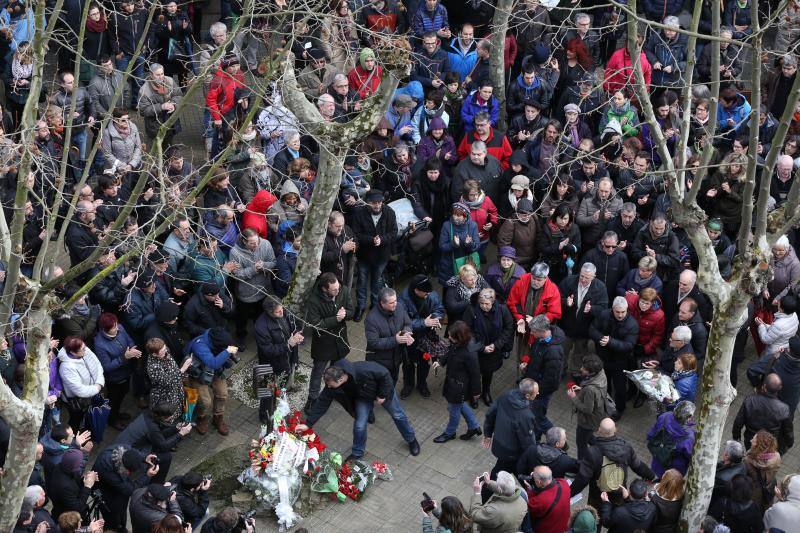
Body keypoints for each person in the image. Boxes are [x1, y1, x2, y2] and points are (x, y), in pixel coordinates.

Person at [300, 359, 421, 461]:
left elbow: (385, 374)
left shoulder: (364, 370)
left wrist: (382, 395)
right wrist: (308, 424)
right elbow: (322, 402)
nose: (329, 387)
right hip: (363, 398)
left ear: (340, 379)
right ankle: (357, 453)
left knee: (398, 415)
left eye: (331, 385)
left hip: (383, 393)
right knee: (359, 425)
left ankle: (411, 440)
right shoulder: (332, 386)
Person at [570, 418, 655, 510]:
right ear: (615, 430)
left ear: (598, 430)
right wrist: (650, 475)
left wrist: (568, 494)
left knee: (595, 514)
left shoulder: (592, 453)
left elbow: (582, 479)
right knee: (617, 512)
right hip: (619, 490)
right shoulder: (626, 447)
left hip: (598, 493)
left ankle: (597, 524)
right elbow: (637, 465)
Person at [304, 272, 353, 410]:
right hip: (323, 342)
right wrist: (335, 319)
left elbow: (351, 310)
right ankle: (312, 398)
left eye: (338, 288)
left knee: (338, 369)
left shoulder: (342, 290)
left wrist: (346, 314)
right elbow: (315, 324)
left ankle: (334, 392)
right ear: (325, 289)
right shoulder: (314, 300)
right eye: (334, 290)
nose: (338, 292)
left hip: (339, 339)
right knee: (318, 371)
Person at [114, 403, 192, 482]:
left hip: (122, 444)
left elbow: (158, 436)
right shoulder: (152, 428)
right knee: (166, 457)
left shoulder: (148, 415)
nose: (173, 417)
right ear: (165, 417)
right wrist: (181, 434)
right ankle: (157, 484)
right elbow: (163, 446)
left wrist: (175, 428)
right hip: (125, 452)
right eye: (171, 415)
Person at [432, 320, 482, 443]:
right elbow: (450, 351)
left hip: (459, 387)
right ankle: (474, 426)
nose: (448, 337)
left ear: (459, 337)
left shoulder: (470, 353)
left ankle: (450, 433)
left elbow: (475, 374)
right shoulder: (458, 343)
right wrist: (440, 362)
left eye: (451, 336)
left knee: (453, 409)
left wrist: (476, 392)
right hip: (453, 382)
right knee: (459, 405)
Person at [589, 297, 638, 419]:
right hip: (603, 358)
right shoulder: (604, 315)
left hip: (619, 362)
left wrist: (610, 342)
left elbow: (629, 345)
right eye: (618, 312)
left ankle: (619, 410)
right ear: (613, 309)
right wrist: (601, 338)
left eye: (623, 312)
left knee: (620, 388)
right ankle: (605, 403)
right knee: (604, 385)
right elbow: (592, 329)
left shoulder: (632, 324)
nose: (620, 315)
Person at [463, 288, 514, 406]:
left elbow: (508, 327)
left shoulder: (502, 309)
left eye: (487, 304)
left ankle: (486, 392)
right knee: (474, 372)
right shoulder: (471, 310)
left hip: (493, 349)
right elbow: (466, 330)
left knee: (488, 372)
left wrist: (497, 345)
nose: (484, 306)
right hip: (476, 349)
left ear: (493, 301)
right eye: (481, 303)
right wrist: (481, 347)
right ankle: (474, 394)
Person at [185, 327, 239, 435]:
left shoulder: (218, 338)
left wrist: (230, 355)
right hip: (199, 373)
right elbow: (212, 363)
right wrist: (227, 351)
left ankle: (218, 418)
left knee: (222, 393)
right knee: (205, 401)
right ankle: (201, 417)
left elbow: (220, 363)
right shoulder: (199, 345)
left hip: (215, 371)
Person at [351, 189, 396, 320]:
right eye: (373, 203)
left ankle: (375, 306)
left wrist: (382, 239)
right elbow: (356, 233)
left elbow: (393, 232)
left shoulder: (389, 212)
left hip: (382, 255)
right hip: (364, 255)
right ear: (368, 202)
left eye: (379, 202)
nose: (377, 205)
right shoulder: (359, 213)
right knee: (362, 282)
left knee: (377, 283)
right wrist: (371, 240)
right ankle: (360, 306)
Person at [559, 263, 609, 378]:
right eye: (582, 276)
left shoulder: (600, 288)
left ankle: (576, 374)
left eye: (587, 277)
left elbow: (604, 308)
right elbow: (557, 297)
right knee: (562, 352)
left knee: (579, 354)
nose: (583, 279)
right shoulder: (569, 281)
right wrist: (565, 302)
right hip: (566, 327)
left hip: (584, 331)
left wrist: (592, 309)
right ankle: (560, 372)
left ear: (594, 276)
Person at [398, 275, 444, 399]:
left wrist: (435, 318)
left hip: (426, 336)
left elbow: (439, 309)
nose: (428, 294)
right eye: (425, 292)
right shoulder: (403, 300)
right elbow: (402, 322)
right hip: (409, 338)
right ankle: (408, 385)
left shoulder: (430, 294)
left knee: (424, 361)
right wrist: (424, 323)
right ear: (416, 290)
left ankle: (422, 384)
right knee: (408, 363)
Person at [229, 228, 277, 347]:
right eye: (252, 243)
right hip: (246, 294)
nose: (256, 245)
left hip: (263, 289)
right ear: (244, 241)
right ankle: (240, 337)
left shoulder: (265, 244)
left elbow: (273, 262)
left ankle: (261, 337)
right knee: (242, 319)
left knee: (261, 317)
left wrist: (264, 265)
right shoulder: (235, 252)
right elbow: (237, 274)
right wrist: (254, 269)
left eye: (257, 241)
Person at [520, 314, 564, 440]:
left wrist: (536, 392)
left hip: (541, 392)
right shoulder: (540, 340)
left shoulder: (553, 351)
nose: (532, 333)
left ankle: (558, 439)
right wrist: (527, 366)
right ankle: (536, 437)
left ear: (542, 331)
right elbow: (536, 359)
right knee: (535, 416)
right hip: (535, 386)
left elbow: (551, 379)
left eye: (533, 331)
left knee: (539, 417)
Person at [482, 378, 538, 478]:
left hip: (499, 445)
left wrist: (488, 434)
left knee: (500, 468)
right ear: (527, 396)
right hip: (512, 453)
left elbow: (490, 414)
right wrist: (533, 460)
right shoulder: (525, 416)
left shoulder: (505, 395)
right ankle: (486, 490)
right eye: (536, 392)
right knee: (518, 474)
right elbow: (527, 441)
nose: (538, 393)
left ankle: (487, 488)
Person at [93, 446, 158, 531]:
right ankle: (114, 528)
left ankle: (121, 526)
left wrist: (144, 458)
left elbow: (134, 453)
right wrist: (147, 476)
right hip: (103, 491)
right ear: (124, 468)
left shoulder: (122, 450)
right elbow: (129, 490)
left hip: (114, 486)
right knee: (112, 515)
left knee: (122, 508)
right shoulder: (109, 471)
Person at [732, 373, 794, 454]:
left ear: (764, 387)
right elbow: (788, 431)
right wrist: (788, 444)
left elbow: (738, 422)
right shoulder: (784, 409)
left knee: (750, 457)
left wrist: (737, 438)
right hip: (769, 443)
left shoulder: (750, 400)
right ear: (780, 388)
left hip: (751, 440)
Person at [365, 287, 414, 382]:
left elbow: (408, 323)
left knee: (393, 382)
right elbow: (373, 342)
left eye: (395, 300)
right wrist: (395, 340)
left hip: (396, 358)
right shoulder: (371, 319)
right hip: (380, 362)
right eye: (391, 303)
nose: (395, 304)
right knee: (383, 388)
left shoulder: (399, 307)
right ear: (382, 303)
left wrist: (406, 333)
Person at [58, 336, 105, 431]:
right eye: (82, 349)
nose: (86, 350)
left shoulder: (84, 349)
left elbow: (97, 364)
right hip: (78, 401)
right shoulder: (66, 368)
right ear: (73, 353)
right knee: (76, 420)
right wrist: (97, 388)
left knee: (89, 414)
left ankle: (87, 431)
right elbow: (80, 390)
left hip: (93, 390)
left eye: (84, 347)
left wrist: (99, 382)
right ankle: (74, 439)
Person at [567, 354, 610, 459]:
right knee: (589, 437)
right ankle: (605, 450)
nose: (581, 369)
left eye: (584, 369)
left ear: (592, 372)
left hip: (587, 421)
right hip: (598, 416)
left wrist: (573, 397)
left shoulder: (590, 389)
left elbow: (587, 409)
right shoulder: (601, 373)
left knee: (581, 443)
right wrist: (582, 389)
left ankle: (581, 465)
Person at [646, 400, 696, 477]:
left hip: (658, 460)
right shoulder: (689, 437)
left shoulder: (664, 416)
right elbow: (690, 457)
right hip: (674, 470)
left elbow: (650, 435)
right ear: (689, 418)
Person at [145, 337, 190, 421]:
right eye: (162, 351)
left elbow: (173, 367)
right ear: (154, 354)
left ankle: (179, 418)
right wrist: (182, 369)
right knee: (169, 412)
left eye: (165, 348)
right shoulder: (153, 367)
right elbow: (167, 382)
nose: (166, 351)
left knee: (180, 404)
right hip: (166, 393)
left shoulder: (164, 352)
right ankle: (170, 425)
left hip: (176, 387)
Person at [47, 448, 97, 520]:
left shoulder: (62, 467)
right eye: (79, 463)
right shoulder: (64, 486)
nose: (80, 464)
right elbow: (77, 508)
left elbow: (74, 481)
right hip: (67, 517)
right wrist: (87, 486)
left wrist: (85, 479)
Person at [743, 430, 781, 513]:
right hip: (768, 490)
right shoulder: (777, 456)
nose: (751, 441)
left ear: (758, 446)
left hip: (753, 494)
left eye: (753, 440)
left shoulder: (748, 461)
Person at [525, 465, 570, 533]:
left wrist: (530, 490)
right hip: (563, 527)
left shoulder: (540, 500)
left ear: (539, 482)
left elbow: (528, 505)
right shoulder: (564, 483)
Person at [650, 469, 685, 533]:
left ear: (665, 482)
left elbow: (652, 516)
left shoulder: (655, 498)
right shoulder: (682, 498)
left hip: (656, 528)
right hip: (672, 528)